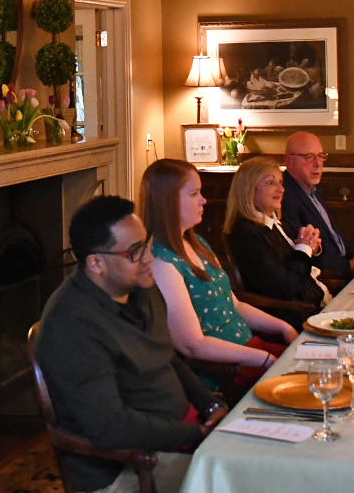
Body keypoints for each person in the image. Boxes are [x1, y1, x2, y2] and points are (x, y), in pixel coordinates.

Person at [34, 195, 228, 493]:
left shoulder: (139, 287)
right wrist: (197, 432)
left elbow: (167, 356)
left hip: (177, 435)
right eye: (136, 252)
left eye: (146, 243)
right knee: (238, 479)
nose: (150, 257)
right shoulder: (72, 324)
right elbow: (112, 426)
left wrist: (209, 402)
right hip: (129, 467)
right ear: (96, 263)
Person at [139, 159, 299, 392]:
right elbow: (193, 346)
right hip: (223, 372)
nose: (204, 200)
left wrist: (282, 327)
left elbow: (234, 305)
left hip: (249, 350)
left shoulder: (198, 243)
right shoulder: (162, 263)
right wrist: (262, 359)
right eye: (194, 194)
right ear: (168, 201)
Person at [223, 157, 330, 326]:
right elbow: (285, 288)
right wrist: (303, 249)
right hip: (296, 315)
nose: (281, 189)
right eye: (271, 182)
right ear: (249, 188)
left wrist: (312, 247)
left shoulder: (279, 222)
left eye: (280, 182)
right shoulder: (246, 234)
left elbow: (308, 264)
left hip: (321, 301)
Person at [280, 131, 354, 283]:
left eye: (321, 156)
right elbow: (304, 250)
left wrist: (353, 254)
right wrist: (347, 266)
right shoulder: (286, 196)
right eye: (309, 157)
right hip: (328, 279)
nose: (318, 163)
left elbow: (332, 235)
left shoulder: (312, 190)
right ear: (289, 161)